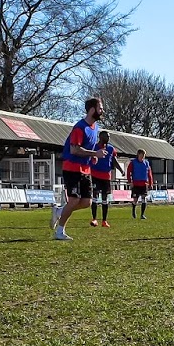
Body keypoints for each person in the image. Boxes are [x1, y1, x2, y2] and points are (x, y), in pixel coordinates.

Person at [52, 97, 105, 241]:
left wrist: (93, 156)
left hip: (85, 169)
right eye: (100, 108)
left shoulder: (95, 128)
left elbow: (89, 147)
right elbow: (74, 150)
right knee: (74, 200)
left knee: (87, 202)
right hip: (72, 168)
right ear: (92, 110)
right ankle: (59, 231)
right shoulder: (79, 128)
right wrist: (95, 153)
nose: (102, 111)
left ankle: (59, 211)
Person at [89, 130, 124, 227]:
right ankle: (94, 219)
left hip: (106, 177)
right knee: (95, 197)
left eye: (109, 137)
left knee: (105, 198)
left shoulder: (111, 148)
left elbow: (114, 160)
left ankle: (104, 221)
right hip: (95, 175)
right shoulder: (94, 147)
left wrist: (121, 170)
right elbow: (88, 158)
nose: (108, 139)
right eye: (106, 137)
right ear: (100, 137)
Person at [128, 149, 154, 219]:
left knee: (143, 198)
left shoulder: (146, 163)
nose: (142, 157)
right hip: (136, 184)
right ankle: (133, 210)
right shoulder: (133, 162)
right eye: (141, 155)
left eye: (144, 156)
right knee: (135, 200)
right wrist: (130, 181)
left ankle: (142, 214)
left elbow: (149, 173)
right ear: (138, 155)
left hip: (144, 184)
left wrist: (151, 183)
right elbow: (128, 172)